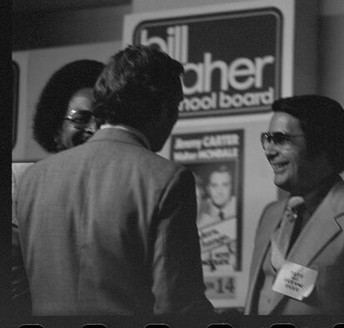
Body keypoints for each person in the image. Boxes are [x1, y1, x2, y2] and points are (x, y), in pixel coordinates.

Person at [15, 45, 213, 316]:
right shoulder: (167, 180)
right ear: (161, 109)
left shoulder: (33, 180)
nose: (176, 117)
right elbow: (177, 305)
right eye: (177, 106)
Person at [244, 95, 344, 315]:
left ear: (321, 144)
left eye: (280, 139)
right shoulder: (270, 216)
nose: (269, 151)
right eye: (267, 139)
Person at [11, 59, 104, 315]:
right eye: (81, 118)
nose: (94, 128)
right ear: (55, 129)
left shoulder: (121, 189)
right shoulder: (21, 183)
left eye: (102, 119)